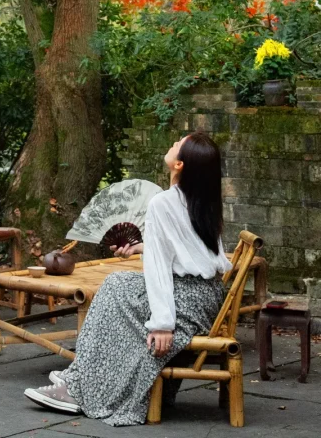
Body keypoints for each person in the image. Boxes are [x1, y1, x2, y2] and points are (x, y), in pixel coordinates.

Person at [24, 132, 230, 426]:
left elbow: (160, 267)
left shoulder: (162, 202)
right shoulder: (201, 199)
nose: (171, 144)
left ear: (180, 164)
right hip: (206, 298)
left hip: (183, 300)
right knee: (117, 283)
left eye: (177, 145)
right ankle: (81, 375)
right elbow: (190, 250)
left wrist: (162, 324)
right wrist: (143, 246)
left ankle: (79, 387)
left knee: (113, 290)